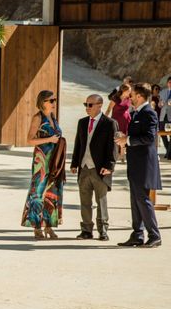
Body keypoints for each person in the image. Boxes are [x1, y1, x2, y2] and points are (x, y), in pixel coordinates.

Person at [115, 83, 162, 248]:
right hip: (135, 164)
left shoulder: (149, 113)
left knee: (143, 200)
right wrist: (125, 137)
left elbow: (149, 138)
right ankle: (137, 235)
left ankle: (154, 236)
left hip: (144, 165)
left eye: (132, 95)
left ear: (140, 96)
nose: (130, 97)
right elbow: (138, 136)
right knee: (135, 200)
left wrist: (126, 140)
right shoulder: (137, 113)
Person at [70, 94, 118, 241]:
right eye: (86, 104)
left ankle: (103, 231)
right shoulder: (82, 123)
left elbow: (113, 147)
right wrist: (74, 163)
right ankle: (86, 230)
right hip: (84, 168)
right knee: (85, 201)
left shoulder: (110, 123)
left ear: (99, 105)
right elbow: (78, 144)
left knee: (101, 201)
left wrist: (109, 166)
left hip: (100, 169)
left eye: (90, 105)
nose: (87, 108)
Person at [21, 90, 64, 239]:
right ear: (42, 102)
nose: (53, 103)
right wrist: (49, 140)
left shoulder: (53, 117)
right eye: (50, 101)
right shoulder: (38, 118)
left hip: (54, 161)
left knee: (52, 193)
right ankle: (37, 228)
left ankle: (49, 227)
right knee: (38, 193)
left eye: (54, 100)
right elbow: (30, 140)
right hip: (41, 161)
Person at [157, 76, 171, 159]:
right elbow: (159, 104)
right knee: (162, 134)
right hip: (163, 116)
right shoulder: (162, 92)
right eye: (169, 82)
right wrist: (160, 104)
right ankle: (168, 151)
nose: (170, 84)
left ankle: (169, 154)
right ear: (167, 83)